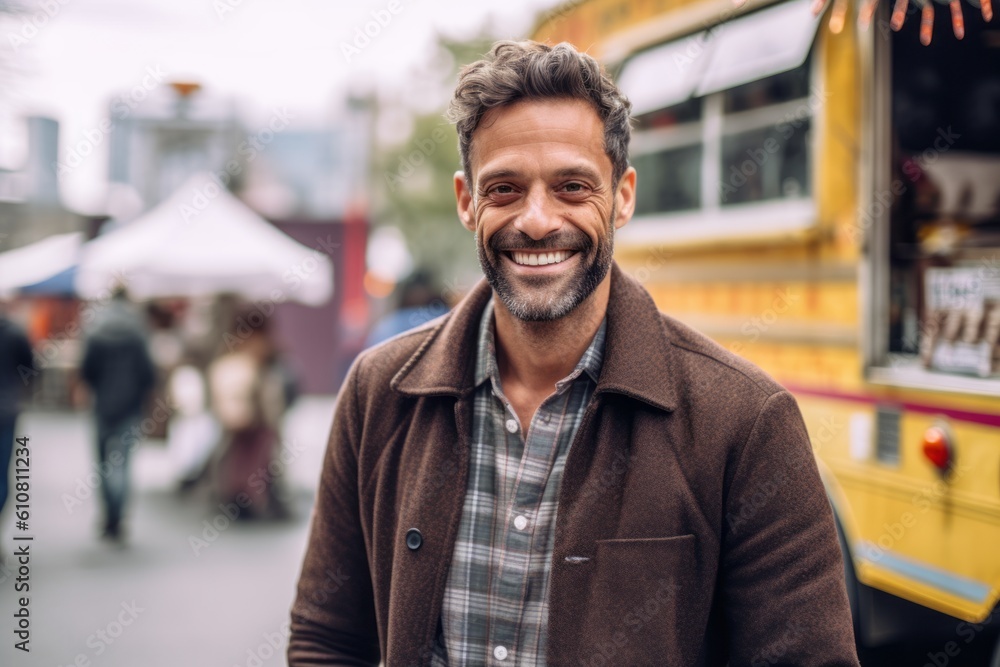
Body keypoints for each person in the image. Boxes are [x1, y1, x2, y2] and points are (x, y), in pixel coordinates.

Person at [289, 41, 859, 666]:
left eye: (572, 186)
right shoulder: (379, 394)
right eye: (504, 188)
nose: (536, 221)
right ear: (465, 201)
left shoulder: (745, 422)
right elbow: (328, 640)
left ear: (622, 196)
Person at [80, 287, 156, 541]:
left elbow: (86, 369)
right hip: (130, 405)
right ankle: (118, 516)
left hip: (102, 404)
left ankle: (108, 514)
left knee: (103, 463)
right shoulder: (138, 329)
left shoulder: (96, 327)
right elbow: (148, 372)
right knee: (123, 462)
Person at [0, 308, 34, 543]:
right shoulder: (14, 332)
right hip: (6, 410)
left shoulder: (15, 332)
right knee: (2, 474)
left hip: (7, 410)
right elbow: (30, 368)